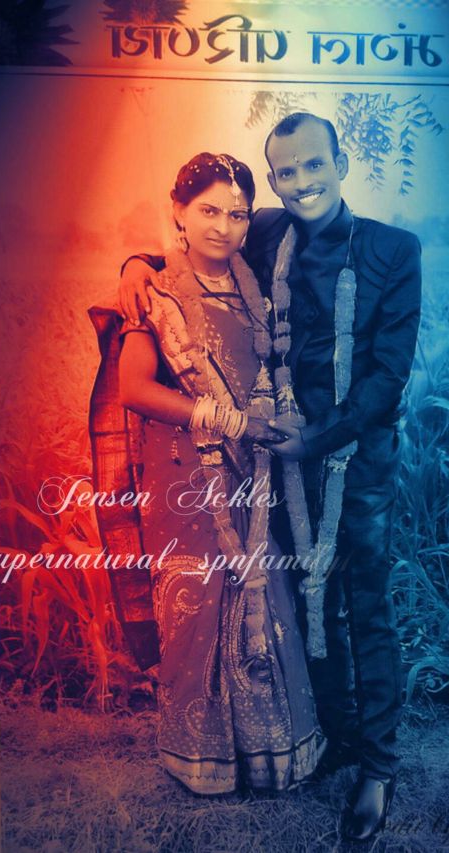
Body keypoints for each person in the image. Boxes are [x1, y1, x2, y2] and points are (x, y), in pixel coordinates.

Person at [119, 114, 422, 840]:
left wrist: (315, 438)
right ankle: (331, 733)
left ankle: (377, 767)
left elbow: (387, 379)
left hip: (352, 460)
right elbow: (193, 238)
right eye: (286, 172)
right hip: (272, 467)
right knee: (304, 604)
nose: (302, 182)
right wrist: (134, 264)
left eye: (314, 165)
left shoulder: (392, 248)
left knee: (364, 605)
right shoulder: (266, 230)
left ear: (340, 162)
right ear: (275, 183)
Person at [89, 152, 325, 796]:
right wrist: (222, 417)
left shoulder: (258, 290)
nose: (223, 226)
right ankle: (202, 758)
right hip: (187, 477)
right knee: (199, 608)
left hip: (258, 472)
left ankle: (268, 755)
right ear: (179, 212)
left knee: (265, 596)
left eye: (238, 214)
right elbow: (135, 388)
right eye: (209, 210)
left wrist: (266, 423)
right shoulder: (156, 293)